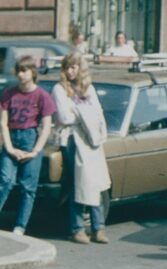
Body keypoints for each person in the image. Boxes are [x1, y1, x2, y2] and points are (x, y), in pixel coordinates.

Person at [0, 56, 56, 235]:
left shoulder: (42, 95)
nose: (20, 74)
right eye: (18, 70)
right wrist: (9, 148)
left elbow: (46, 126)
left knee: (28, 187)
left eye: (24, 70)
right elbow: (2, 123)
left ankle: (20, 225)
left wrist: (35, 151)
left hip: (30, 138)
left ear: (32, 72)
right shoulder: (9, 93)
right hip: (12, 137)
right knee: (5, 180)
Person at [52, 53, 112, 244]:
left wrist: (79, 112)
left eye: (74, 67)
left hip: (91, 138)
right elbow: (64, 117)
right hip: (71, 138)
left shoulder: (88, 88)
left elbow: (98, 112)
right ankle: (77, 228)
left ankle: (98, 227)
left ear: (80, 68)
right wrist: (86, 115)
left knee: (95, 182)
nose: (70, 71)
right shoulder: (59, 89)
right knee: (79, 182)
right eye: (67, 68)